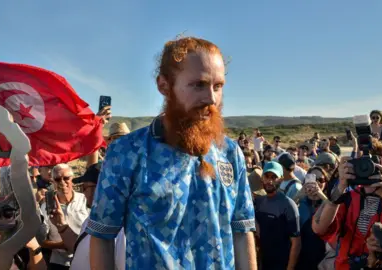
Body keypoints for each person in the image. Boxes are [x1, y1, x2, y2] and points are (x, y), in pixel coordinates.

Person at [86, 37, 257, 269]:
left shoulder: (229, 153)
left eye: (218, 86)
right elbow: (102, 237)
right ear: (164, 85)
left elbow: (241, 231)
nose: (211, 99)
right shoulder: (126, 153)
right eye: (198, 85)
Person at [312, 139, 382, 270]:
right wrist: (339, 187)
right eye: (368, 166)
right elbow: (319, 228)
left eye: (379, 167)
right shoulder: (348, 197)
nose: (372, 172)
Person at [50, 163, 126, 270]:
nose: (84, 193)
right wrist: (61, 226)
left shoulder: (122, 231)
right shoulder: (92, 219)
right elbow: (79, 248)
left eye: (84, 187)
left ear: (101, 188)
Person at [40, 164, 89, 269]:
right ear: (52, 182)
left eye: (66, 178)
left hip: (86, 257)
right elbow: (41, 240)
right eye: (57, 179)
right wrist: (61, 245)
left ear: (72, 179)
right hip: (60, 263)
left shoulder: (85, 200)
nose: (62, 182)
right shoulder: (46, 207)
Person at [255, 161, 301, 270]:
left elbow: (296, 243)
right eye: (267, 176)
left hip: (282, 264)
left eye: (274, 177)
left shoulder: (288, 205)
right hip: (264, 263)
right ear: (262, 178)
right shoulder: (259, 202)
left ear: (281, 179)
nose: (270, 181)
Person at [296, 167, 329, 270]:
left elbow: (335, 211)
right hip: (301, 258)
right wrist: (298, 195)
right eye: (313, 180)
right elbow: (284, 214)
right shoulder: (301, 201)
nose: (317, 183)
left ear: (326, 183)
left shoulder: (329, 201)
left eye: (321, 180)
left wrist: (321, 195)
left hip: (323, 259)